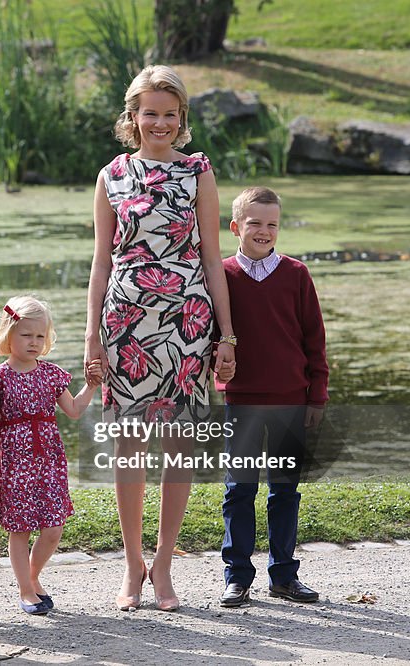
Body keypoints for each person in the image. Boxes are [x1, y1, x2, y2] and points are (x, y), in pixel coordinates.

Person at [84, 65, 236, 612]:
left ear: (183, 119)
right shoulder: (112, 176)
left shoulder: (198, 174)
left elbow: (214, 258)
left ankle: (165, 564)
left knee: (178, 448)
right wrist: (91, 339)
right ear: (133, 117)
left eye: (171, 114)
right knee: (129, 446)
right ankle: (132, 565)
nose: (161, 123)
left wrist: (228, 335)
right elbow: (101, 262)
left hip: (187, 326)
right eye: (151, 113)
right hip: (124, 323)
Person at [215, 186, 329, 608]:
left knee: (285, 491)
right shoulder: (221, 275)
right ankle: (237, 577)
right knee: (239, 490)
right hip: (241, 400)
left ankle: (284, 575)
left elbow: (314, 340)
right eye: (254, 223)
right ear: (235, 228)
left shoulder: (297, 274)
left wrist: (316, 396)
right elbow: (212, 336)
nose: (264, 231)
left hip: (291, 399)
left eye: (272, 224)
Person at [0, 296, 102, 615]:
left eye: (40, 336)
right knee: (19, 528)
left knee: (52, 529)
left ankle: (32, 578)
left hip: (48, 459)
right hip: (13, 461)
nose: (34, 342)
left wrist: (90, 387)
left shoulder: (51, 374)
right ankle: (26, 590)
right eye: (26, 335)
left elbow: (74, 411)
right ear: (8, 334)